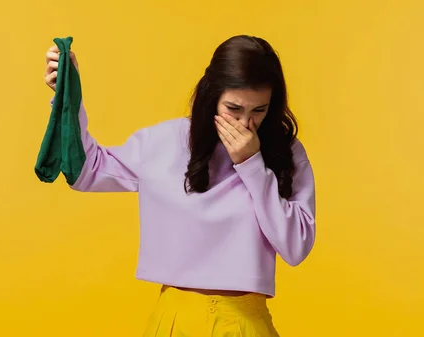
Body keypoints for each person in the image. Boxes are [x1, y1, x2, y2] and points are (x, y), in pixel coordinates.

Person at [43, 35, 316, 337]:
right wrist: (69, 96)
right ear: (212, 95)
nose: (245, 124)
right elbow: (86, 171)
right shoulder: (164, 142)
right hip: (174, 321)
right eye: (234, 109)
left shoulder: (285, 153)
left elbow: (296, 247)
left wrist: (252, 164)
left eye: (259, 111)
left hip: (245, 325)